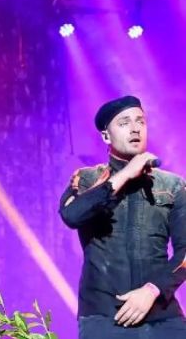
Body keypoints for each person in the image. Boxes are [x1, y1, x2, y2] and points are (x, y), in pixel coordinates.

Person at [60, 95, 186, 338]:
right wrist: (126, 174)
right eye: (124, 122)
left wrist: (152, 290)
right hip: (105, 318)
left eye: (140, 121)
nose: (135, 127)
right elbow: (71, 215)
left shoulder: (173, 185)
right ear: (106, 136)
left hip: (163, 317)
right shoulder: (86, 178)